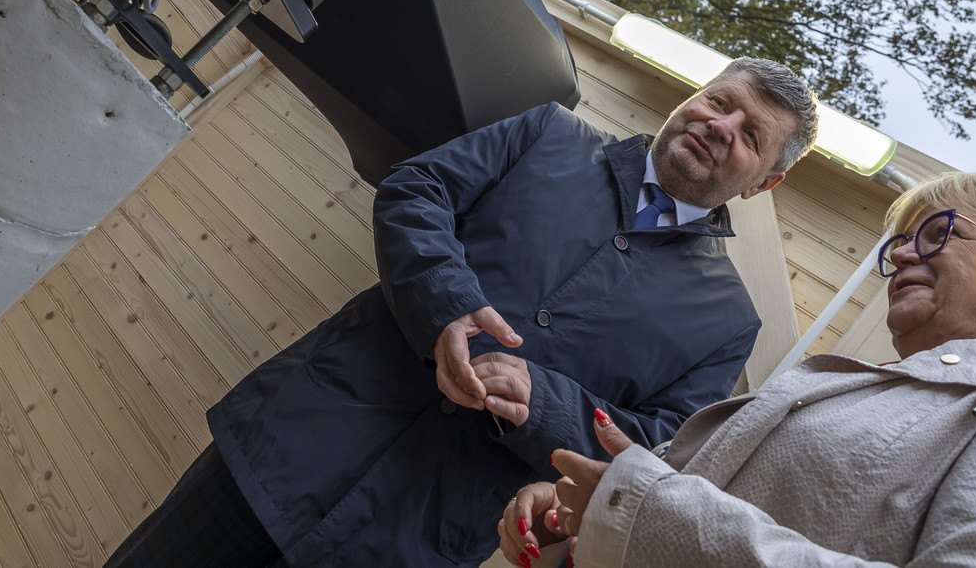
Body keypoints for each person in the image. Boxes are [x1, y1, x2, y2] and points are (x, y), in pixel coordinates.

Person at [101, 58, 820, 568]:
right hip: (287, 447)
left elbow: (659, 452)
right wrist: (445, 305)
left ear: (765, 182)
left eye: (750, 134)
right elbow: (416, 190)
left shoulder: (728, 322)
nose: (720, 125)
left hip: (405, 543)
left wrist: (544, 402)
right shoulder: (547, 134)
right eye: (718, 101)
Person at [499, 169, 976, 568]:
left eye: (938, 232)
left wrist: (645, 509)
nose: (901, 255)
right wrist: (582, 515)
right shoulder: (875, 391)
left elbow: (665, 516)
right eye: (899, 242)